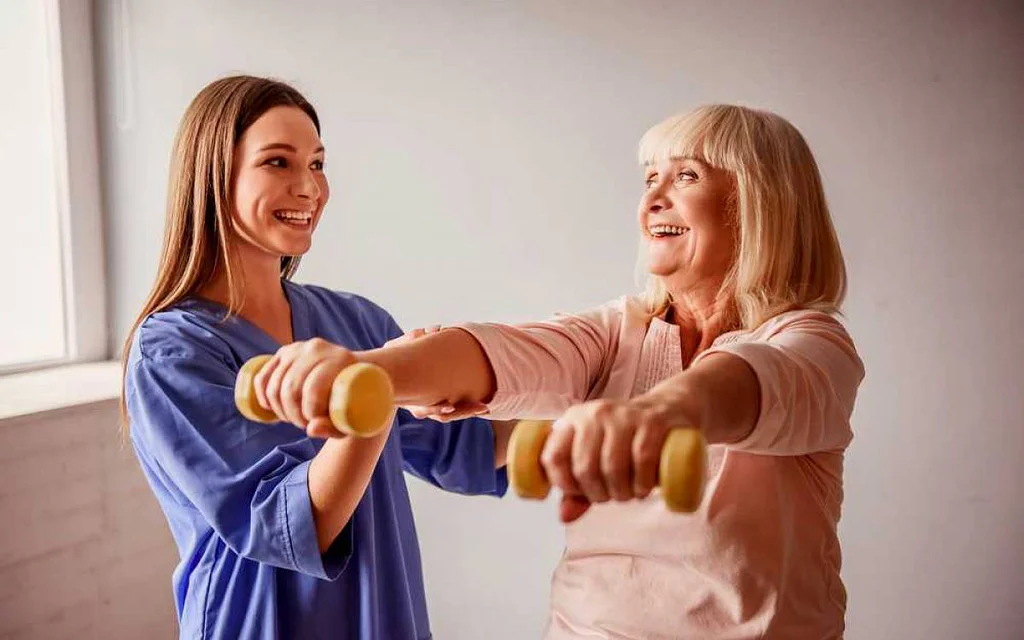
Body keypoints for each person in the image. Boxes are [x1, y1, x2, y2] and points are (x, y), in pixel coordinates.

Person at [255, 104, 866, 639]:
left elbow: (751, 379)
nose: (653, 198)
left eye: (686, 177)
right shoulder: (617, 332)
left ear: (759, 204)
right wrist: (370, 369)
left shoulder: (813, 343)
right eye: (650, 178)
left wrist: (655, 415)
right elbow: (507, 350)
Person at [119, 75, 510, 640]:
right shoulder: (172, 350)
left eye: (318, 164)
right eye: (278, 162)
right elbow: (295, 524)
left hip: (385, 620)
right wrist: (371, 393)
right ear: (213, 174)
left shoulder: (356, 322)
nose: (309, 187)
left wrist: (609, 382)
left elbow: (466, 445)